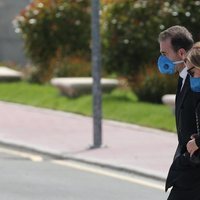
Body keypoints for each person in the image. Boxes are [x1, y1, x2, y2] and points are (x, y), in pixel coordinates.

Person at [158, 25, 200, 200]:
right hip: (190, 164)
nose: (161, 59)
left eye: (164, 54)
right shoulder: (184, 78)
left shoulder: (196, 79)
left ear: (181, 53)